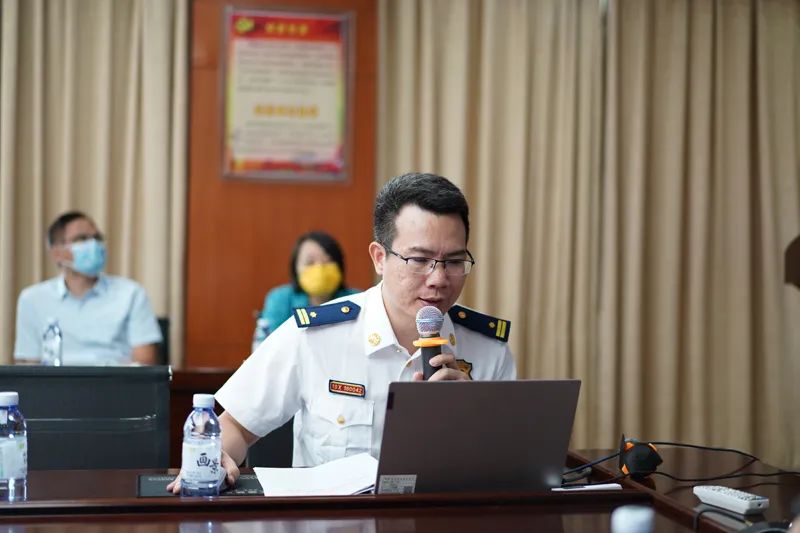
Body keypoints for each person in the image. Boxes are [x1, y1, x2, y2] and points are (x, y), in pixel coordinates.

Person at [168, 172, 516, 492]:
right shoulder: (315, 337)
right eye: (419, 260)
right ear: (379, 258)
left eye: (454, 262)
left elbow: (512, 471)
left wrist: (473, 416)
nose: (438, 279)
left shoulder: (489, 350)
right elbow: (235, 426)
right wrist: (214, 457)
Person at [14, 211, 163, 366]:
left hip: (114, 379)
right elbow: (27, 364)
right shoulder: (32, 299)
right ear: (57, 253)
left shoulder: (131, 293)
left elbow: (145, 362)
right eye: (82, 239)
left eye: (97, 238)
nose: (94, 245)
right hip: (56, 380)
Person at [258, 231, 359, 336]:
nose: (320, 268)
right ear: (295, 268)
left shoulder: (356, 299)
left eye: (328, 261)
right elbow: (269, 342)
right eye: (310, 262)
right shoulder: (280, 299)